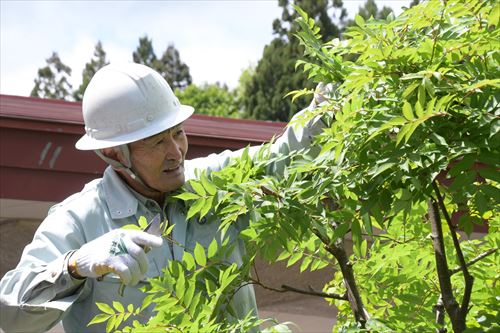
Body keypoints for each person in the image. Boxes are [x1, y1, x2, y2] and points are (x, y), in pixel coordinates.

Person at [0, 63, 325, 332]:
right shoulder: (79, 219)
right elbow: (10, 317)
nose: (176, 152)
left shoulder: (217, 181)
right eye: (157, 143)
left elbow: (286, 155)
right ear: (114, 152)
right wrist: (73, 266)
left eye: (178, 133)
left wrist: (328, 107)